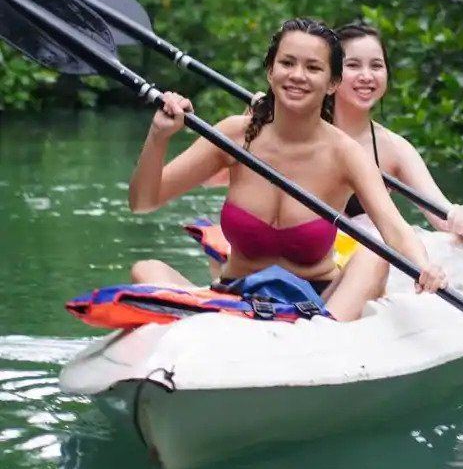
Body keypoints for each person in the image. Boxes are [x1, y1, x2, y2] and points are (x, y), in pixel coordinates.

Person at [128, 18, 446, 321]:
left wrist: (423, 266)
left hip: (317, 305)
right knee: (147, 270)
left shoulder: (345, 153)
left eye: (313, 67)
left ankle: (320, 344)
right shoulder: (236, 135)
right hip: (234, 296)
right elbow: (143, 202)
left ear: (333, 82)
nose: (297, 75)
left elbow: (394, 229)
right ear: (270, 71)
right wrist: (158, 136)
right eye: (287, 63)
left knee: (374, 257)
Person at [333, 22, 463, 292]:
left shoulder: (394, 148)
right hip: (312, 249)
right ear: (330, 74)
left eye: (376, 66)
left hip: (368, 255)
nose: (367, 76)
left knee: (457, 244)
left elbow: (440, 212)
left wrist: (458, 215)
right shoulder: (305, 131)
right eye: (353, 65)